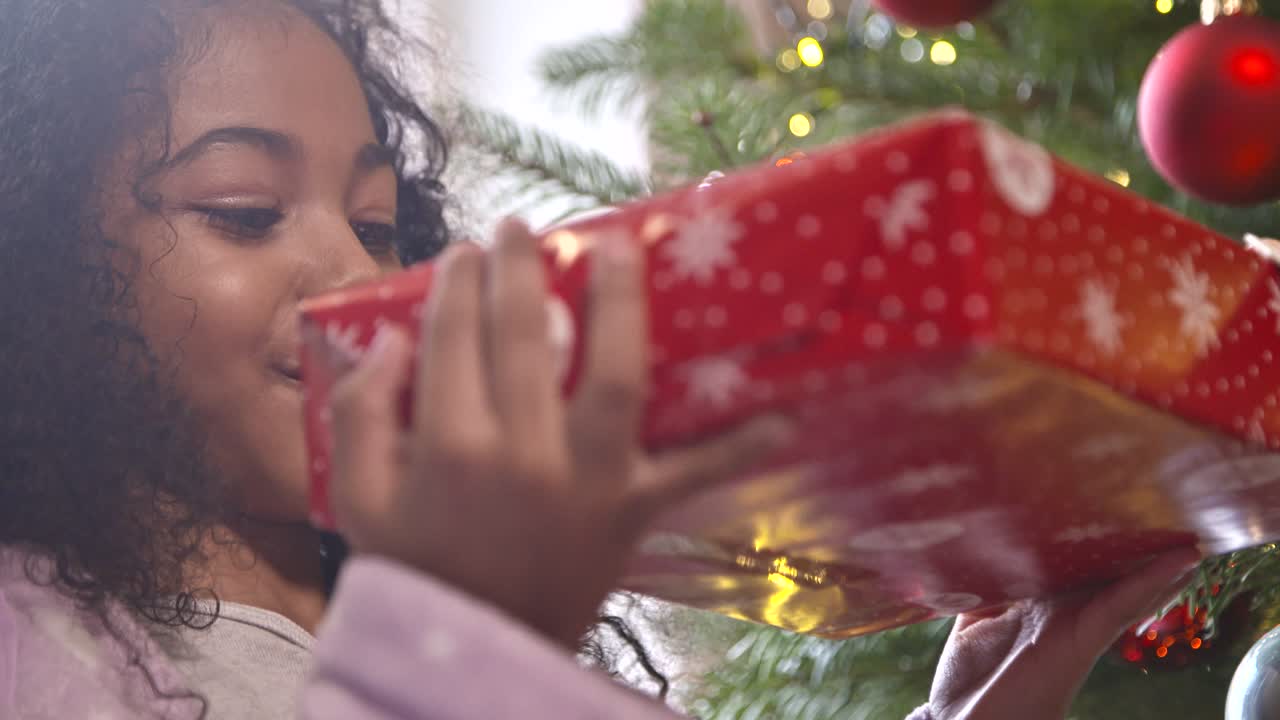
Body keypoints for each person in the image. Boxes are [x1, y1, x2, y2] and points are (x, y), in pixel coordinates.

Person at [0, 1, 1201, 718]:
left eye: (377, 225)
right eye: (243, 210)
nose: (355, 277)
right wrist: (464, 643)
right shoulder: (36, 647)